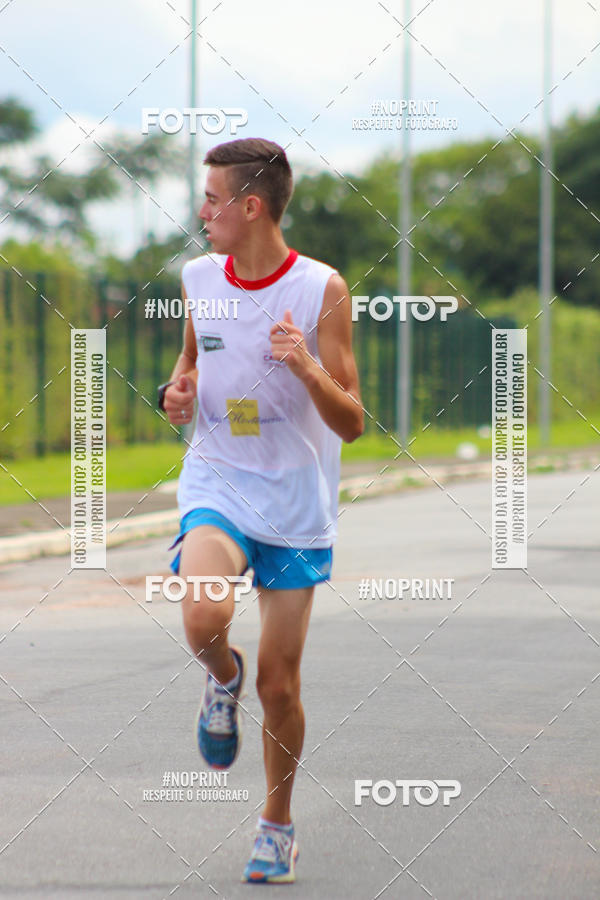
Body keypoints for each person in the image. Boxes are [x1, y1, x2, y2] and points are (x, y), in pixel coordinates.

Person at [160, 137, 363, 884]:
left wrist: (306, 363)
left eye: (211, 198)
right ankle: (221, 676)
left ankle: (277, 823)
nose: (201, 210)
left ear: (250, 207)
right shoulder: (197, 279)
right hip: (218, 480)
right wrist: (173, 394)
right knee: (202, 617)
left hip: (296, 502)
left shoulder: (321, 290)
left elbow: (352, 422)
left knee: (281, 687)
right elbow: (189, 368)